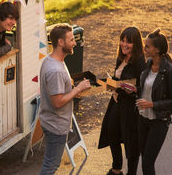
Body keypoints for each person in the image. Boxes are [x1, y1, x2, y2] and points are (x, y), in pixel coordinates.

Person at [39, 23, 91, 175]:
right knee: (51, 166)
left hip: (51, 121)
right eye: (71, 39)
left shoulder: (51, 60)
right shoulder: (55, 70)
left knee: (50, 164)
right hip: (56, 126)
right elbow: (57, 102)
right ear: (60, 42)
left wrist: (74, 89)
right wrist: (78, 89)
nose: (74, 43)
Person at [98, 26, 146, 175]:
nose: (124, 44)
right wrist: (108, 84)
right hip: (116, 102)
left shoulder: (140, 63)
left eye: (129, 42)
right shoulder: (121, 58)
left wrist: (126, 88)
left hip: (131, 108)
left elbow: (141, 88)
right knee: (111, 132)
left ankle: (131, 172)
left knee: (131, 143)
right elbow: (118, 80)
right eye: (122, 40)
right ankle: (116, 168)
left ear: (136, 44)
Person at [136, 29, 172, 175]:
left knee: (147, 163)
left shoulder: (170, 71)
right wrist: (133, 91)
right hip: (143, 119)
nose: (144, 48)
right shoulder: (147, 65)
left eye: (147, 46)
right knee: (145, 160)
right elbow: (144, 89)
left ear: (157, 50)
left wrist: (152, 104)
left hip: (159, 122)